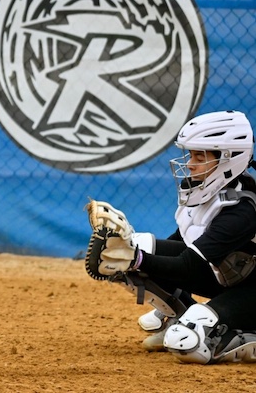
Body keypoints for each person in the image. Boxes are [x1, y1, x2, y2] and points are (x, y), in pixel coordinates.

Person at [85, 110, 256, 364]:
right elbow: (182, 244)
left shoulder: (241, 210)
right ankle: (181, 314)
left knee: (188, 344)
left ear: (228, 159)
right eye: (191, 154)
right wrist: (135, 256)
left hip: (252, 292)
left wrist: (135, 260)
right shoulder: (209, 191)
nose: (189, 163)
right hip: (230, 279)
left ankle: (245, 334)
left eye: (200, 156)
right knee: (138, 245)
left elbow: (189, 265)